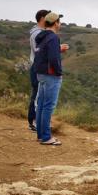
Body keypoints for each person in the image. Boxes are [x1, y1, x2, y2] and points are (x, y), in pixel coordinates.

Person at [34, 11, 67, 145]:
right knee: (48, 106)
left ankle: (41, 135)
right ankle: (47, 137)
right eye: (59, 21)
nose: (60, 23)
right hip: (51, 75)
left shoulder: (41, 36)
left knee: (42, 104)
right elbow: (53, 58)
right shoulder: (53, 38)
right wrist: (59, 72)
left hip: (41, 74)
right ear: (55, 23)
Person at [28, 9, 50, 131]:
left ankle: (35, 121)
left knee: (38, 93)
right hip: (37, 66)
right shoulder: (37, 34)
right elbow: (40, 51)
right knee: (37, 94)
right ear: (42, 18)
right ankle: (34, 122)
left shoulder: (38, 31)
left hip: (37, 66)